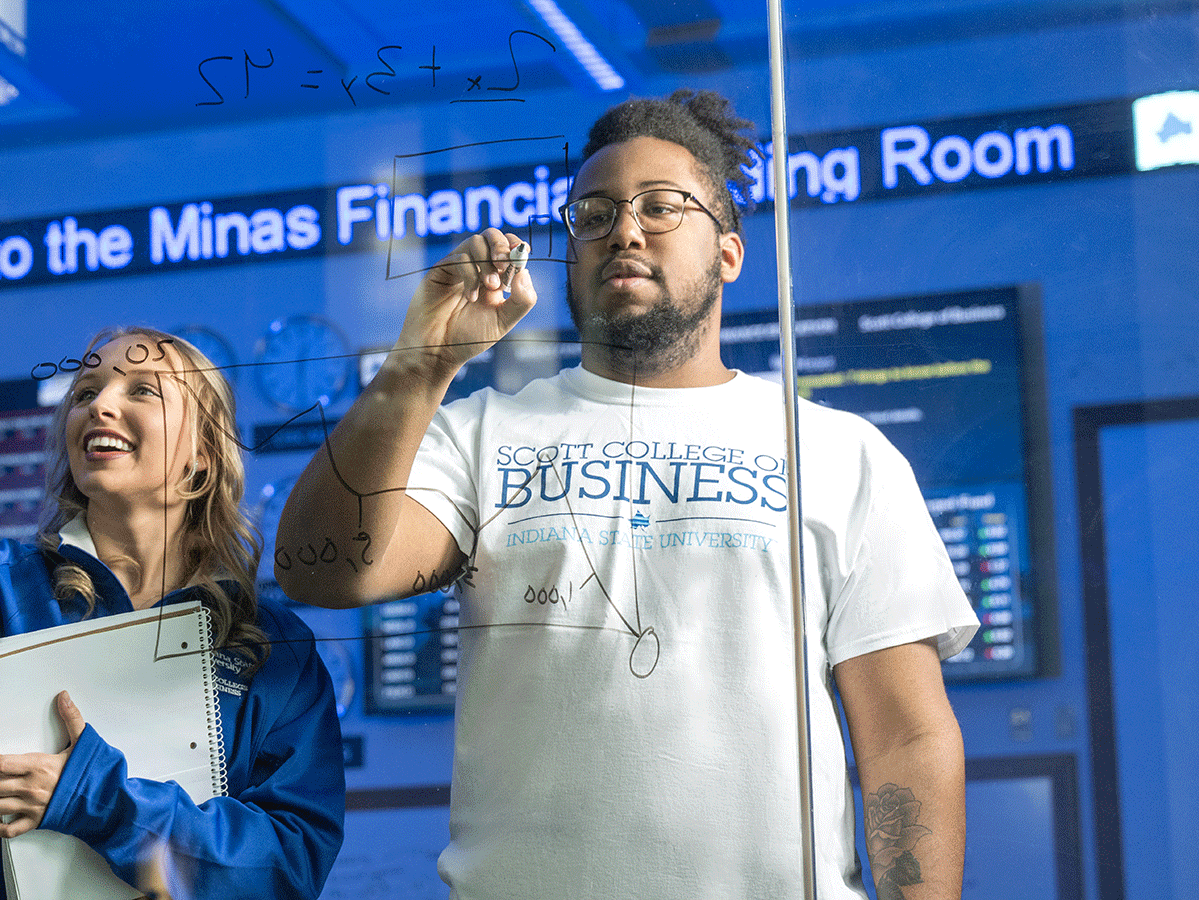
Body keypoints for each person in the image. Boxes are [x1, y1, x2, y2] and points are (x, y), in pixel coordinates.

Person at [275, 89, 978, 900]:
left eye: (663, 206)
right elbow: (322, 571)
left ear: (729, 253)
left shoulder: (839, 453)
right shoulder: (481, 434)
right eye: (595, 213)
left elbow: (905, 739)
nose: (626, 230)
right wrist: (418, 367)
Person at [0, 273, 346, 899]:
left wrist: (94, 799)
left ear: (203, 456)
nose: (100, 405)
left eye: (142, 390)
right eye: (85, 391)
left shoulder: (273, 650)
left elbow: (289, 864)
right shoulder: (1, 593)